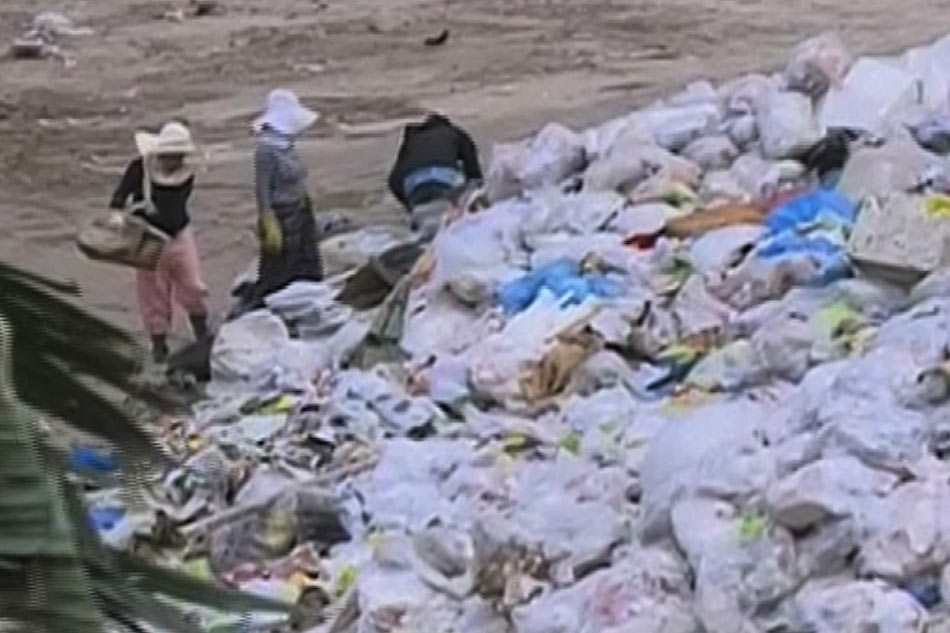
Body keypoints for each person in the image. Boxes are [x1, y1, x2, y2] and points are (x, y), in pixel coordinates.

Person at [109, 121, 209, 363]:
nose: (175, 160)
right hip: (148, 239)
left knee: (193, 287)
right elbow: (119, 198)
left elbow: (175, 205)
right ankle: (159, 347)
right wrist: (118, 217)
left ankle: (202, 336)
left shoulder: (188, 171)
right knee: (153, 295)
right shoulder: (140, 169)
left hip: (179, 234)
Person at [251, 89, 323, 306]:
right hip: (282, 215)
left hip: (299, 208)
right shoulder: (266, 151)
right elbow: (261, 188)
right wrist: (267, 219)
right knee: (281, 267)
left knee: (305, 261)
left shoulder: (287, 147)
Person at [387, 113, 483, 238]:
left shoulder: (412, 139)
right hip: (444, 179)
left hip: (414, 184)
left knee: (422, 227)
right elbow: (474, 174)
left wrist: (409, 206)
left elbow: (394, 180)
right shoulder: (455, 133)